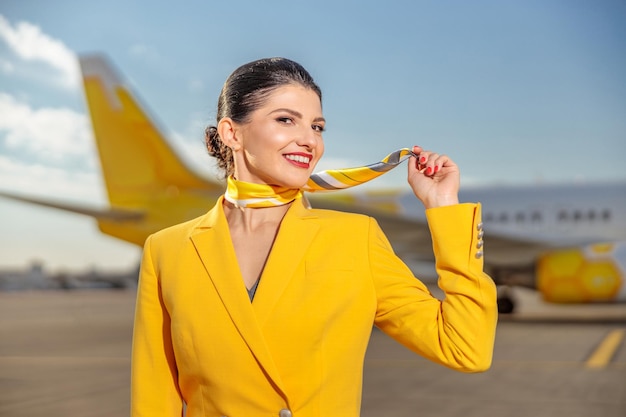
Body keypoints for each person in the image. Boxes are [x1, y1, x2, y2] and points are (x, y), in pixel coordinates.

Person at [131, 57, 498, 417]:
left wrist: (443, 206)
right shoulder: (167, 250)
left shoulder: (356, 238)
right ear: (232, 133)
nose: (309, 140)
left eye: (317, 127)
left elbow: (466, 348)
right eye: (286, 120)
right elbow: (154, 400)